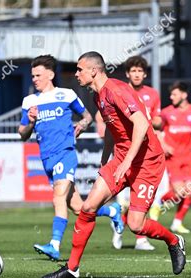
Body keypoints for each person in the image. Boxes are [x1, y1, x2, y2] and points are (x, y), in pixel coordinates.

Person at [42, 51, 186, 278]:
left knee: (136, 225)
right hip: (121, 159)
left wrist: (128, 161)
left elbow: (141, 123)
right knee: (88, 207)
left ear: (94, 71)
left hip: (147, 162)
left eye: (79, 69)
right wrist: (105, 158)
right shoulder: (98, 96)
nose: (76, 74)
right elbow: (112, 127)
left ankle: (174, 241)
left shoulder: (116, 90)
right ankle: (72, 268)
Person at [18, 54, 124, 261]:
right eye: (32, 76)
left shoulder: (66, 95)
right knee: (79, 208)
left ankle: (54, 245)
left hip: (65, 154)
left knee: (58, 196)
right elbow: (22, 134)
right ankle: (112, 211)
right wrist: (30, 122)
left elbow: (87, 117)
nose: (34, 79)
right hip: (46, 159)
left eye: (38, 75)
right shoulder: (29, 101)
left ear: (50, 74)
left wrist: (82, 126)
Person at [108, 55, 169, 251]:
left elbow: (158, 120)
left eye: (140, 71)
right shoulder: (120, 91)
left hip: (146, 154)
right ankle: (118, 226)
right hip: (123, 151)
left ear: (144, 74)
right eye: (133, 71)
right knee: (123, 200)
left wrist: (154, 121)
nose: (136, 74)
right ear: (127, 74)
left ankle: (141, 239)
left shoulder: (152, 94)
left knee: (143, 199)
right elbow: (105, 117)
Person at [158, 81, 191, 234]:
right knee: (180, 193)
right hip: (172, 158)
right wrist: (164, 145)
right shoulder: (166, 113)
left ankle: (177, 223)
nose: (171, 97)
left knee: (189, 193)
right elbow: (156, 131)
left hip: (188, 157)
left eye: (174, 94)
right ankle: (158, 203)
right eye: (171, 94)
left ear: (184, 95)